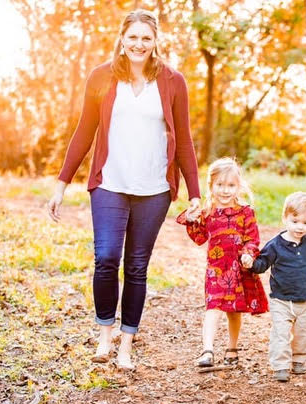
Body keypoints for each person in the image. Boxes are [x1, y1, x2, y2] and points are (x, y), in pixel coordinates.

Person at [47, 9, 201, 370]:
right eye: (132, 37)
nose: (139, 44)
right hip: (110, 184)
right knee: (106, 259)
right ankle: (105, 334)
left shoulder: (173, 81)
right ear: (122, 38)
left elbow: (185, 141)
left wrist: (194, 193)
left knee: (136, 267)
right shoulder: (101, 77)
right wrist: (61, 184)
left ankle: (127, 344)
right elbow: (85, 130)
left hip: (154, 190)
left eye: (146, 38)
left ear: (156, 41)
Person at [176, 157, 268, 368]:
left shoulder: (245, 212)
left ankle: (232, 347)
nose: (225, 191)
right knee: (213, 307)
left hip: (238, 269)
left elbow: (252, 239)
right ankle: (207, 350)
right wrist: (192, 220)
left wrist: (248, 254)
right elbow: (199, 238)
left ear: (238, 186)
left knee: (233, 311)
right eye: (220, 185)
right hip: (216, 270)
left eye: (230, 185)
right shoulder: (208, 212)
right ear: (211, 186)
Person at [245, 192, 306, 382]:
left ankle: (299, 360)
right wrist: (250, 263)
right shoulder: (275, 245)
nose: (300, 227)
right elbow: (262, 264)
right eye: (295, 221)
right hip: (280, 300)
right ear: (285, 218)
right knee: (280, 334)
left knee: (304, 333)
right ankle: (280, 365)